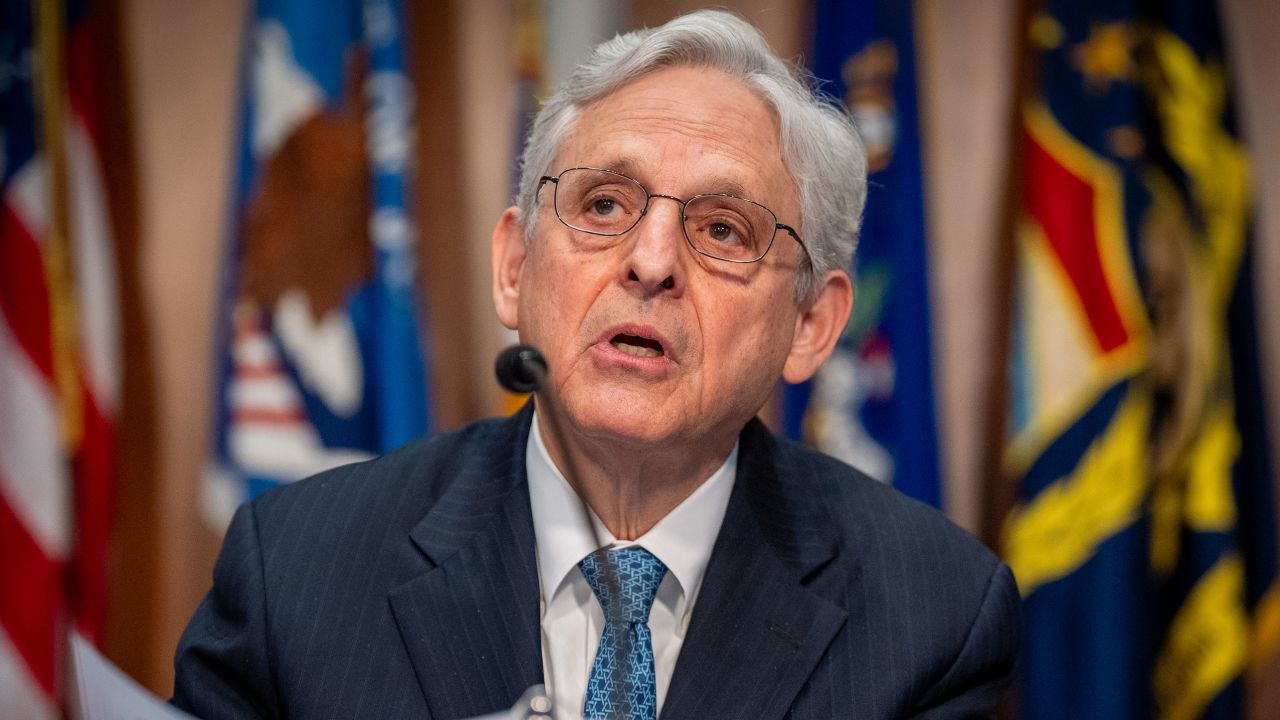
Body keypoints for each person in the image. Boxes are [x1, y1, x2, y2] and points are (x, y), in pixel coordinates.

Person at [173, 10, 1019, 720]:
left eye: (724, 229)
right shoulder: (293, 572)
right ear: (513, 268)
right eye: (603, 205)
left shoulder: (934, 616)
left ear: (810, 323)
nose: (651, 261)